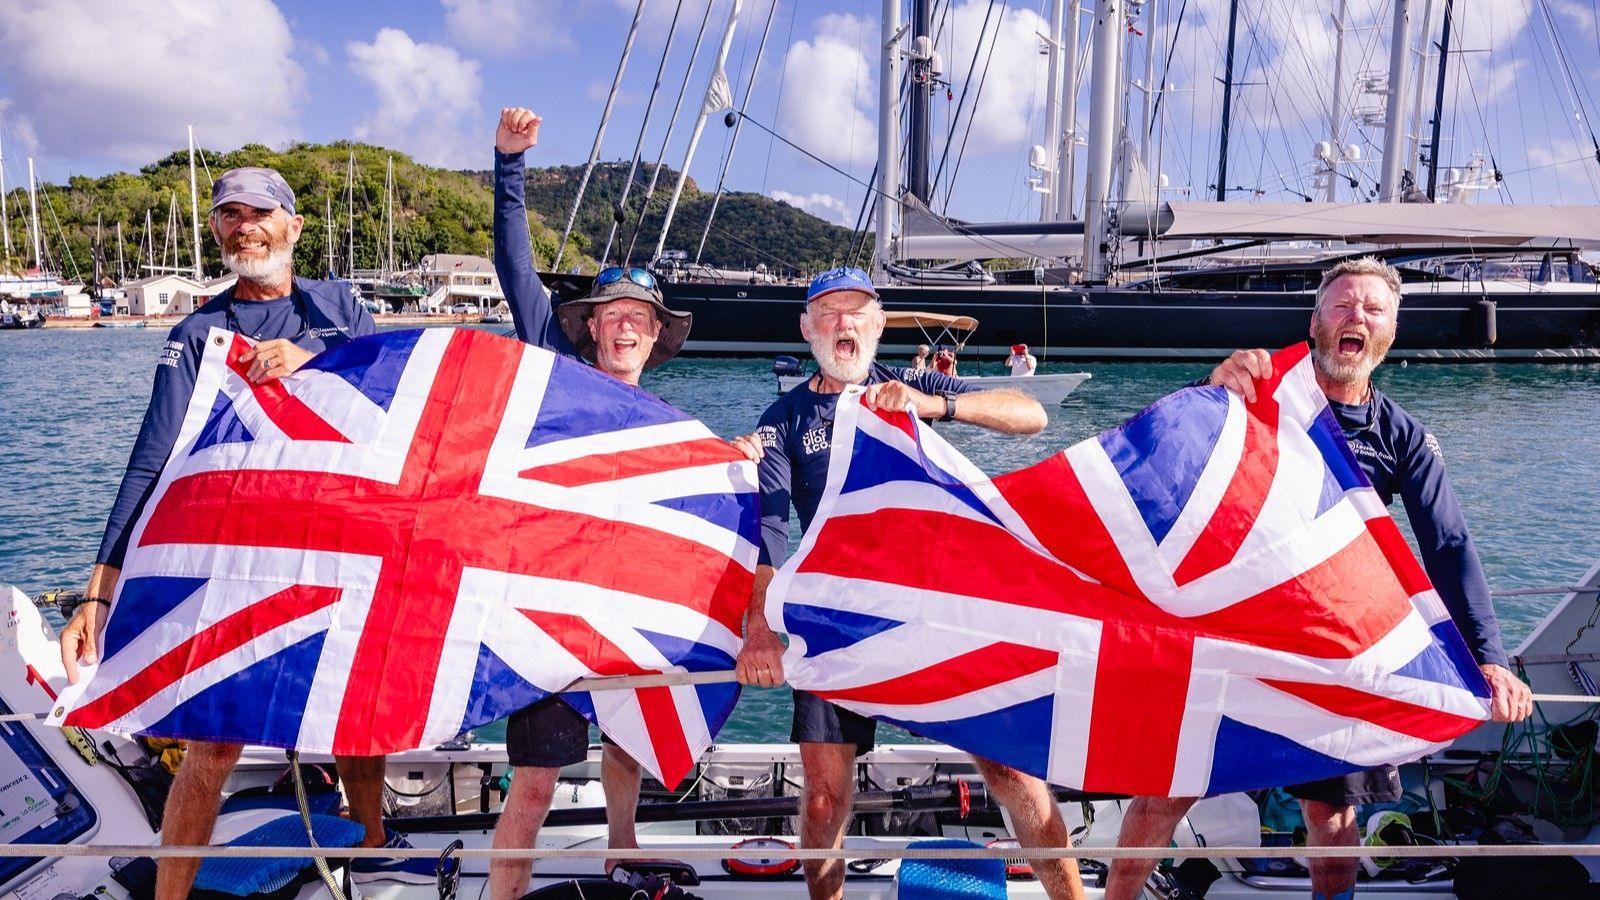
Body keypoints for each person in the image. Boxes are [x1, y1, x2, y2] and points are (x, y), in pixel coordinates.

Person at [57, 167, 447, 894]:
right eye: (229, 216)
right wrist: (98, 593)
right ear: (216, 232)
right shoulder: (199, 335)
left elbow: (398, 405)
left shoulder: (338, 309)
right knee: (211, 745)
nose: (245, 228)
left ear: (293, 227)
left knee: (353, 709)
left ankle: (367, 835)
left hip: (341, 551)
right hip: (240, 565)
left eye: (260, 214)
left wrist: (317, 367)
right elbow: (151, 462)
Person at [1106, 256, 1535, 900]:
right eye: (1341, 304)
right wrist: (1208, 388)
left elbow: (1448, 546)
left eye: (1372, 309)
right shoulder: (1256, 392)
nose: (1355, 315)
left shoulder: (1403, 438)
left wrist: (1491, 658)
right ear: (1315, 322)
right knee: (1167, 793)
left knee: (1331, 821)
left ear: (1388, 334)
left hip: (1330, 642)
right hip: (1230, 629)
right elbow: (1159, 459)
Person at [734, 266, 1085, 900]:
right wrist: (758, 630)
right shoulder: (784, 417)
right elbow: (770, 535)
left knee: (1014, 774)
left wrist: (938, 405)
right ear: (808, 327)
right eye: (830, 312)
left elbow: (1030, 414)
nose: (845, 322)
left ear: (877, 324)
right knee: (821, 801)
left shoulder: (907, 384)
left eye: (858, 311)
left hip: (933, 608)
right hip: (836, 617)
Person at [489, 106, 760, 900]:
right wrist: (510, 164)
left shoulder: (676, 430)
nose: (625, 331)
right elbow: (514, 268)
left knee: (629, 746)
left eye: (639, 321)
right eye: (613, 319)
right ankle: (498, 894)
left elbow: (705, 500)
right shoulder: (555, 377)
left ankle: (622, 848)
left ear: (652, 335)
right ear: (592, 328)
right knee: (534, 786)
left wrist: (735, 461)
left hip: (628, 617)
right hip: (548, 611)